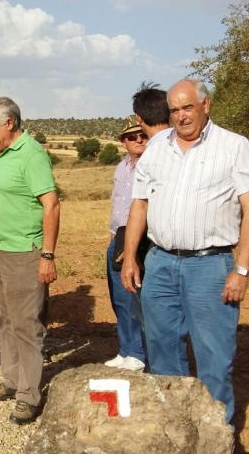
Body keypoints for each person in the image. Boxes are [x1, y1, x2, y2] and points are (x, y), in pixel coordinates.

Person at [120, 78, 249, 423]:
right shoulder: (157, 148)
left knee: (214, 355)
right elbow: (139, 205)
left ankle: (216, 431)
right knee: (162, 349)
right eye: (174, 110)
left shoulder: (234, 147)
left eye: (188, 107)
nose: (181, 116)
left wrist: (241, 270)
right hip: (159, 262)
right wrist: (130, 256)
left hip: (210, 265)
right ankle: (176, 426)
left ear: (206, 105)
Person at [0, 97, 59, 425]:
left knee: (26, 324)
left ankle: (29, 394)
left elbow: (51, 205)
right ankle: (11, 380)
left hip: (25, 252)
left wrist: (47, 255)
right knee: (6, 319)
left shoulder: (31, 154)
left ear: (9, 123)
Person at [103, 118, 149, 372]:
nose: (138, 140)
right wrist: (112, 241)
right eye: (131, 137)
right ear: (123, 142)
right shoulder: (121, 168)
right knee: (119, 298)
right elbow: (117, 206)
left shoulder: (153, 166)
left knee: (136, 298)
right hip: (118, 236)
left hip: (140, 238)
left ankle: (140, 353)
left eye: (142, 135)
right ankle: (126, 349)